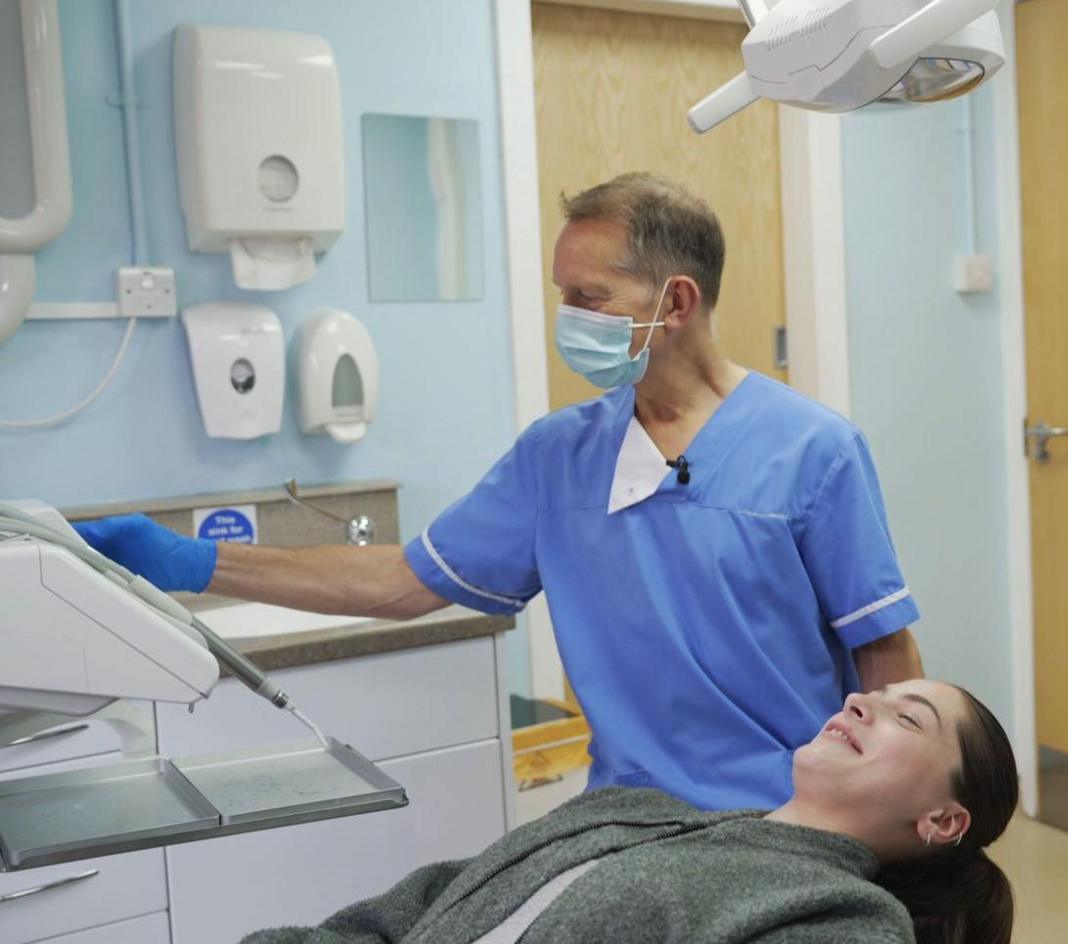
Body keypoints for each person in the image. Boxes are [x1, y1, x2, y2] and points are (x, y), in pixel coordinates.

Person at [74, 173, 925, 811]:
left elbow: (886, 660)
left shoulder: (815, 451)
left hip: (795, 817)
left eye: (588, 297)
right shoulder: (559, 457)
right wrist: (191, 561)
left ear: (676, 303)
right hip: (627, 823)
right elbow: (400, 583)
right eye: (562, 294)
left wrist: (906, 827)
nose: (568, 317)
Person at [240, 681, 1017, 944]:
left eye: (906, 719)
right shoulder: (624, 810)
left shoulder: (843, 918)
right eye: (870, 697)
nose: (860, 702)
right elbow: (396, 918)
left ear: (942, 821)